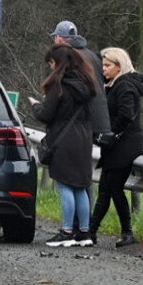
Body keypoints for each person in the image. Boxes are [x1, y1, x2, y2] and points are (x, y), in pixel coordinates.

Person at [33, 42, 101, 246]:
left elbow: (46, 114)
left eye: (52, 62)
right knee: (80, 186)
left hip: (63, 138)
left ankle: (67, 230)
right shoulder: (88, 84)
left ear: (59, 63)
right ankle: (85, 232)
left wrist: (36, 106)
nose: (51, 67)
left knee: (64, 185)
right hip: (83, 137)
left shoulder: (59, 85)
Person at [87, 47, 143, 246]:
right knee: (107, 189)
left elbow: (126, 115)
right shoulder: (115, 85)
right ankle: (94, 231)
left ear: (119, 66)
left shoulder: (125, 86)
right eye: (103, 65)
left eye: (107, 65)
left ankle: (120, 231)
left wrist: (110, 133)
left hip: (125, 146)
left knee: (112, 188)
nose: (103, 69)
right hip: (117, 146)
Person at [54, 19, 111, 141]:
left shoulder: (68, 57)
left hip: (78, 123)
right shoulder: (93, 56)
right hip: (99, 122)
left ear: (59, 39)